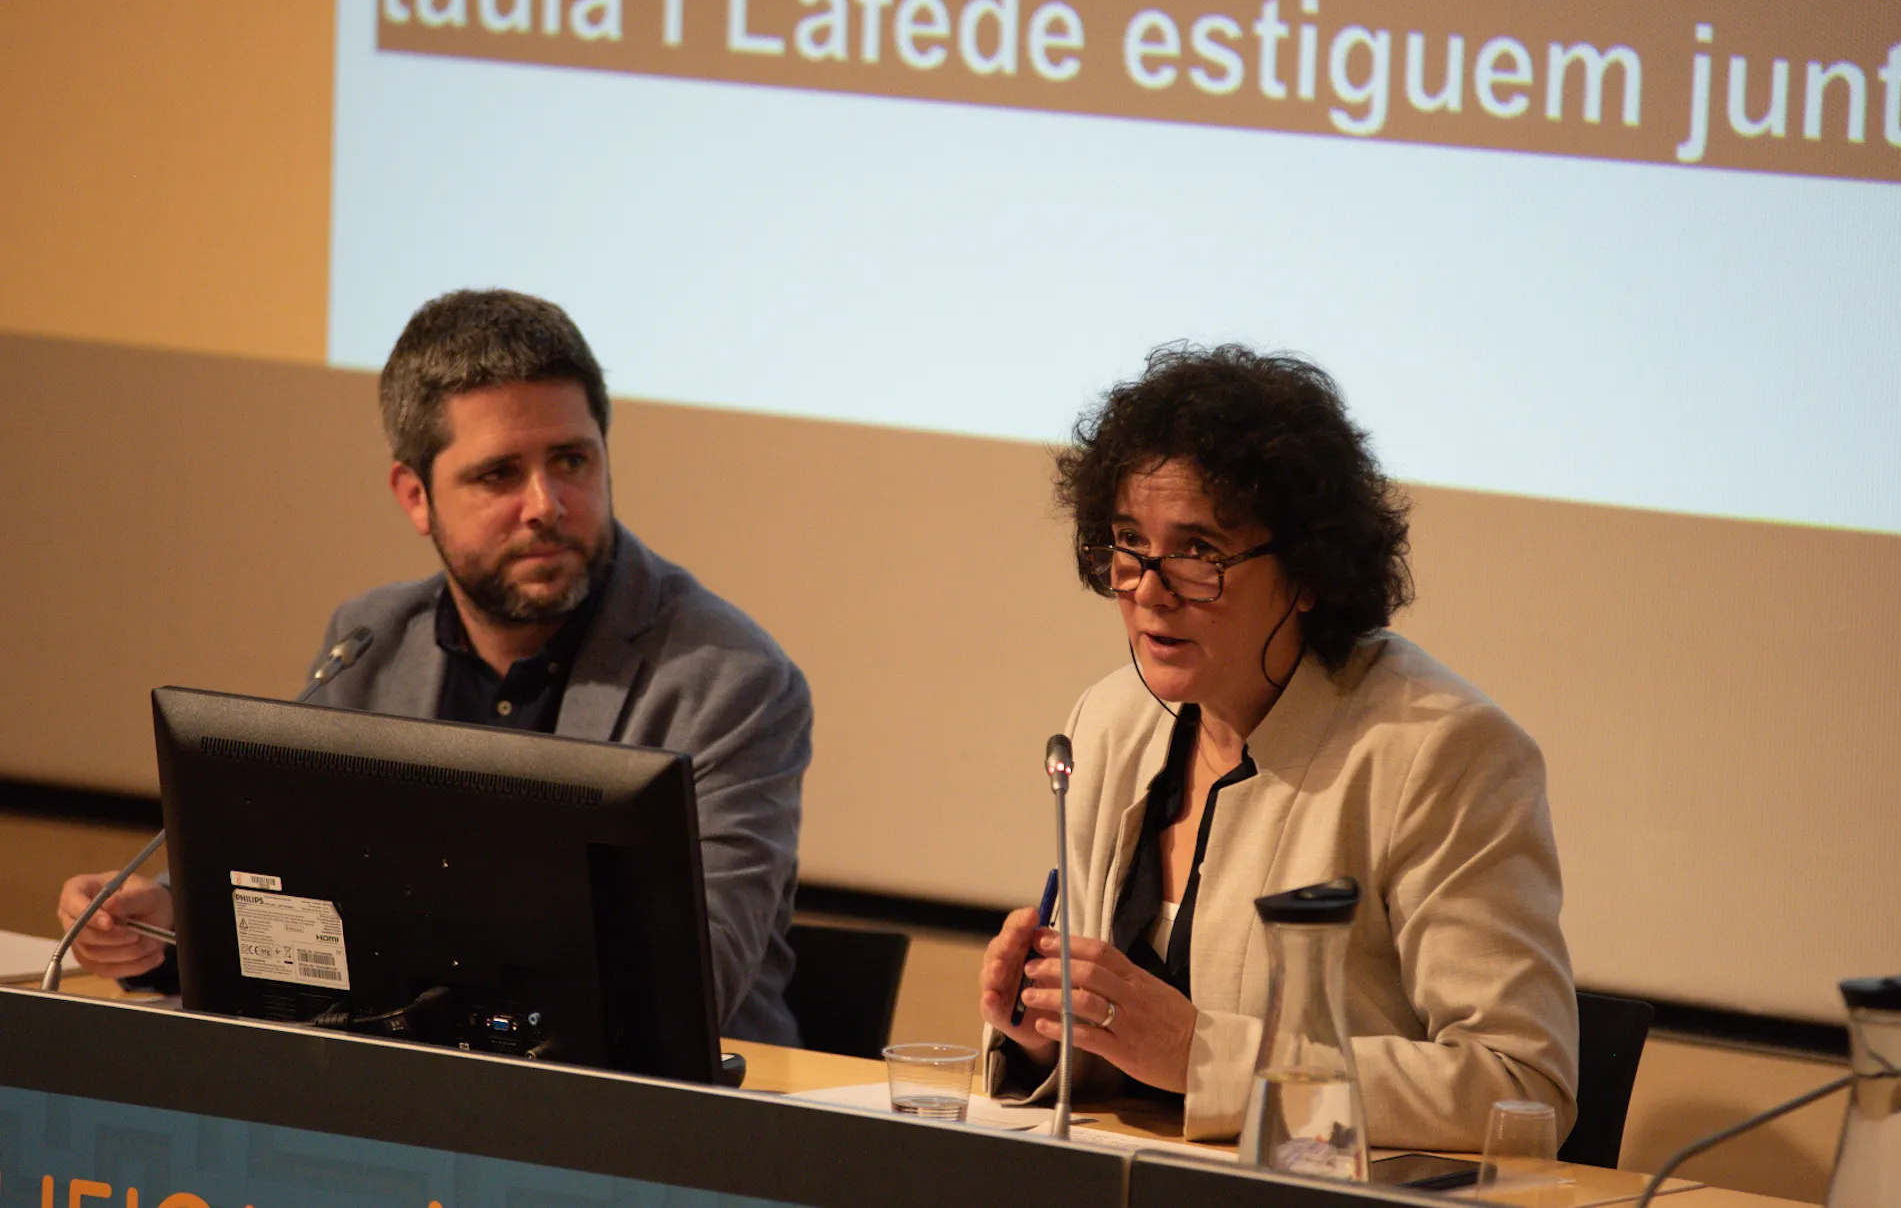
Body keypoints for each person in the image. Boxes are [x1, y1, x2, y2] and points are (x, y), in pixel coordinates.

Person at [56, 289, 811, 1043]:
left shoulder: (729, 680)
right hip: (418, 1093)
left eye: (572, 461)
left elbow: (695, 981)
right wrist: (170, 924)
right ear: (416, 497)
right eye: (499, 475)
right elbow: (300, 879)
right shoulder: (371, 642)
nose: (545, 504)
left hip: (660, 1125)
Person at [976, 344, 1577, 1149]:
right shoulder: (1109, 722)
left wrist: (1204, 1055)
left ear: (1307, 572)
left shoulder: (1441, 751)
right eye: (1128, 541)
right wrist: (1049, 1032)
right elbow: (1132, 1072)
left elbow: (1520, 1083)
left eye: (1198, 552)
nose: (1151, 589)